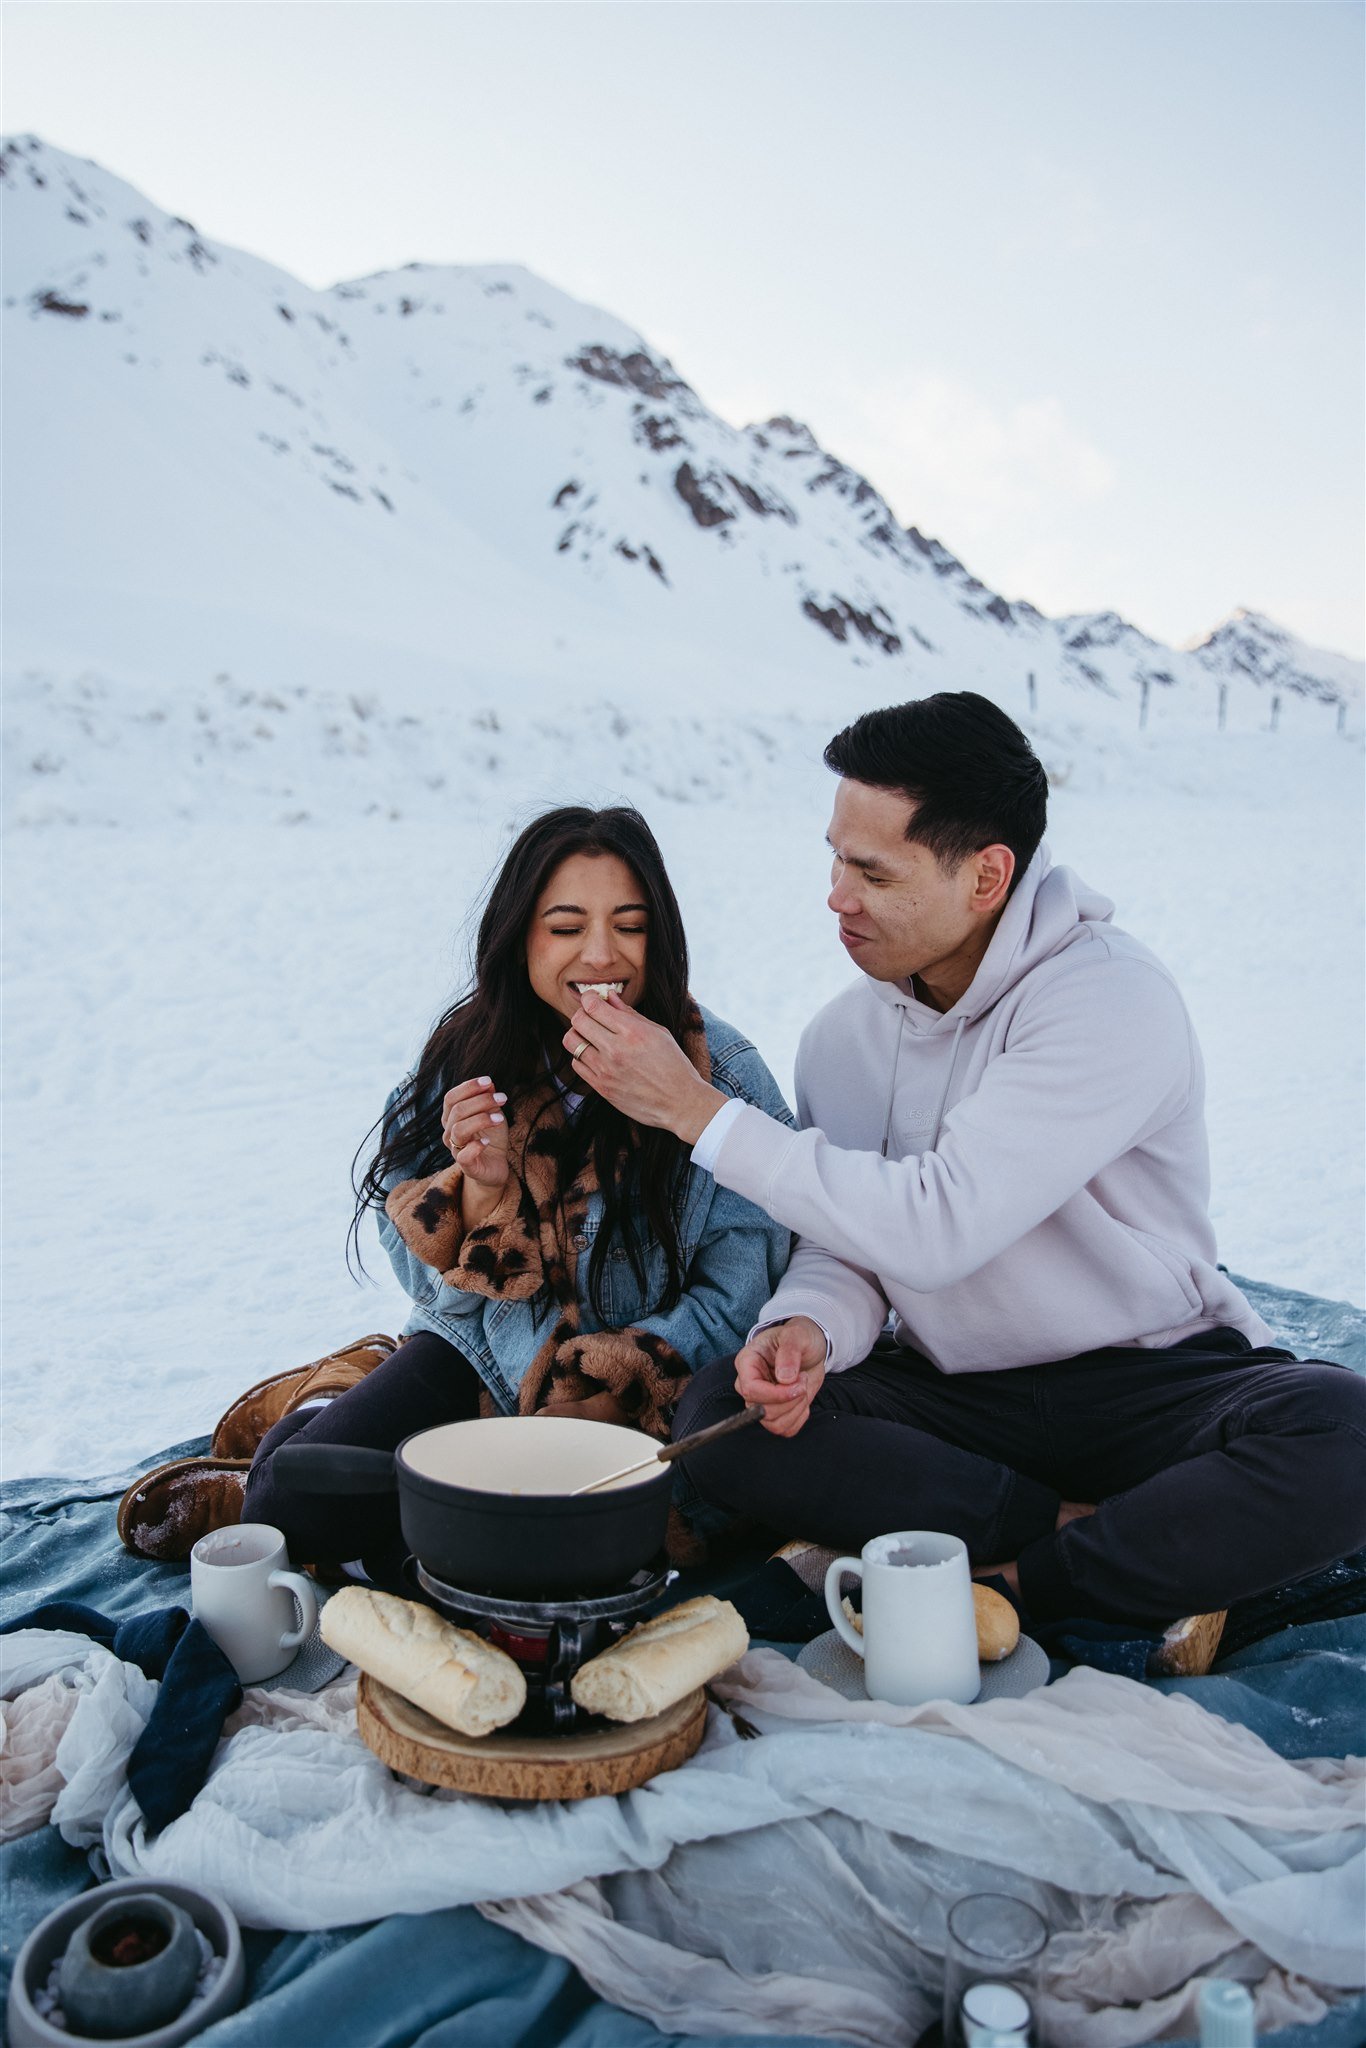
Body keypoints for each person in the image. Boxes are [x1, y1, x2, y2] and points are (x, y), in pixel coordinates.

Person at [564, 693, 1366, 1665]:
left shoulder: (1106, 997)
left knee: (1343, 1434)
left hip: (1146, 1381)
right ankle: (1107, 1541)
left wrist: (695, 1110)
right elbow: (847, 1240)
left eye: (871, 871)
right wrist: (808, 1325)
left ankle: (1017, 1584)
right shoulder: (843, 1036)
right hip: (957, 1397)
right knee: (725, 1423)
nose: (834, 894)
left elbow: (936, 1226)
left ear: (987, 875)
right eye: (832, 856)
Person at [118, 805, 791, 1576]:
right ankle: (324, 1406)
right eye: (566, 926)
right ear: (521, 936)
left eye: (629, 925)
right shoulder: (472, 1058)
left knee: (570, 1556)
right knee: (292, 1500)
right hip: (481, 1356)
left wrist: (619, 1377)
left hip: (645, 1397)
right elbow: (416, 1272)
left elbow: (745, 1287)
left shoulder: (724, 1076)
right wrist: (476, 1196)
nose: (601, 953)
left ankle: (323, 1428)